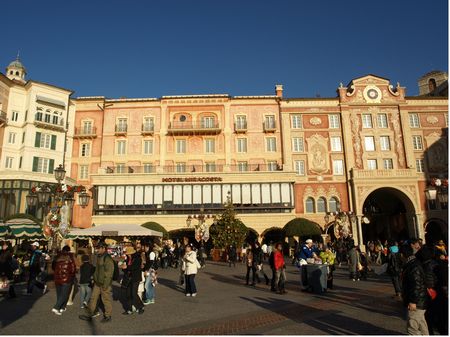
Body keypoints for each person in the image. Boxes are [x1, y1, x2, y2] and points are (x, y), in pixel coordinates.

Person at [79, 242, 114, 323]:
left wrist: (105, 285)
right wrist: (94, 278)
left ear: (103, 248)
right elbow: (97, 270)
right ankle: (89, 314)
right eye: (97, 248)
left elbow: (109, 273)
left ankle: (108, 316)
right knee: (93, 298)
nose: (97, 249)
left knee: (105, 299)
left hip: (104, 283)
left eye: (99, 248)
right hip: (97, 282)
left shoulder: (107, 259)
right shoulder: (99, 257)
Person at [402, 245, 428, 335]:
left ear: (403, 255)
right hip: (420, 301)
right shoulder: (412, 263)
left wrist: (413, 301)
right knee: (421, 324)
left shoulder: (413, 266)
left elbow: (416, 285)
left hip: (417, 302)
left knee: (412, 328)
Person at [52, 245, 77, 315]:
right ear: (68, 250)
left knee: (59, 294)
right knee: (65, 294)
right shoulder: (70, 258)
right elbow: (73, 269)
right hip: (66, 278)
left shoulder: (57, 257)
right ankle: (56, 307)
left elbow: (53, 266)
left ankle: (62, 307)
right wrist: (71, 275)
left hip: (57, 278)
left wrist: (57, 272)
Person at [121, 245, 145, 315]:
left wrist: (126, 267)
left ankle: (140, 306)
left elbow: (134, 267)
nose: (127, 255)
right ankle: (129, 309)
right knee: (128, 294)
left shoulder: (137, 258)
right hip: (128, 277)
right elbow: (126, 268)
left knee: (134, 293)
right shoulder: (128, 259)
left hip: (135, 278)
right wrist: (123, 268)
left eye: (128, 254)